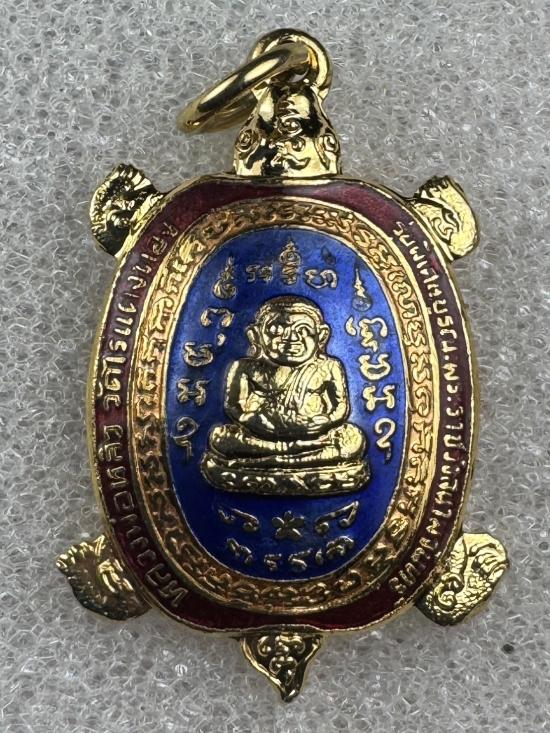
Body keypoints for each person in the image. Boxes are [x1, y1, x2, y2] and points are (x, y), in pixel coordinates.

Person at [201, 295, 369, 495]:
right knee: (220, 438)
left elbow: (341, 407)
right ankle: (294, 458)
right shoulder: (245, 367)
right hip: (261, 436)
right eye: (276, 330)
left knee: (353, 439)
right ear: (256, 336)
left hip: (314, 437)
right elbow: (233, 406)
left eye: (303, 330)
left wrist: (325, 422)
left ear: (322, 336)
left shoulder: (329, 366)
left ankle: (269, 461)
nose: (291, 338)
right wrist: (249, 420)